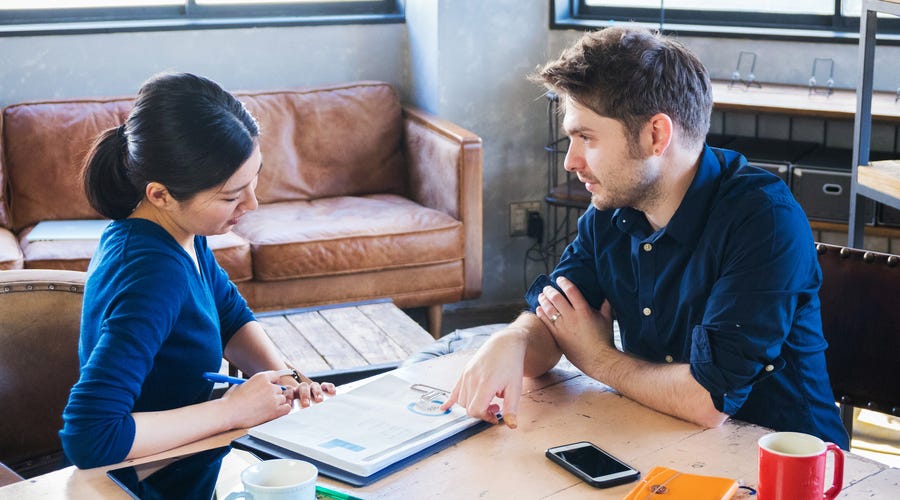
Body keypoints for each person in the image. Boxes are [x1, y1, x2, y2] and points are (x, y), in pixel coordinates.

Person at [442, 27, 849, 448]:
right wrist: (511, 340)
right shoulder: (612, 208)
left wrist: (597, 358)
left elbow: (707, 401)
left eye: (586, 137)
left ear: (656, 135)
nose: (570, 161)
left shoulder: (763, 220)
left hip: (788, 467)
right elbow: (556, 321)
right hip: (662, 441)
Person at [60, 72, 336, 469]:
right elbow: (90, 435)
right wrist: (231, 410)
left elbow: (228, 316)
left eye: (253, 182)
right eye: (231, 196)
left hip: (197, 466)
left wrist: (287, 380)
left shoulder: (177, 231)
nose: (252, 205)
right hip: (153, 485)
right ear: (161, 194)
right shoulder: (152, 274)